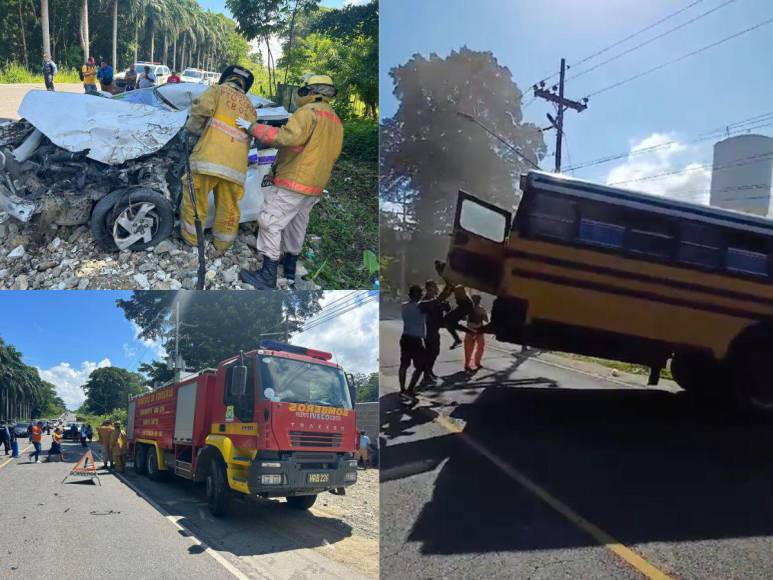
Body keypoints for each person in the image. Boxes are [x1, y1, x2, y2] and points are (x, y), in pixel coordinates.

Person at [237, 73, 344, 289]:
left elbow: (287, 138)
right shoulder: (335, 120)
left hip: (295, 181)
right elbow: (310, 151)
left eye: (302, 90)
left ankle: (267, 276)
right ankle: (289, 267)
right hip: (315, 185)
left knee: (270, 220)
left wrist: (252, 127)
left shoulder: (308, 112)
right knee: (297, 223)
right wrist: (276, 169)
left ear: (309, 91)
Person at [181, 64, 257, 253]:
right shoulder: (250, 106)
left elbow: (201, 110)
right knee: (229, 207)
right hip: (236, 169)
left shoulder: (217, 90)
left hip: (209, 160)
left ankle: (192, 241)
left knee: (195, 200)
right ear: (244, 85)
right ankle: (222, 245)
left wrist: (191, 130)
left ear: (226, 78)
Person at [420, 280, 452, 382]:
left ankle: (428, 372)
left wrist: (445, 305)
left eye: (434, 287)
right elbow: (432, 308)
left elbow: (446, 309)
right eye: (432, 287)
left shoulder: (435, 299)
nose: (434, 289)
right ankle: (426, 374)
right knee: (431, 352)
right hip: (428, 330)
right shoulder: (426, 299)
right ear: (428, 288)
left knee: (435, 351)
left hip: (435, 329)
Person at [399, 285, 428, 398]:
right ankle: (410, 389)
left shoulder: (404, 306)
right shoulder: (420, 306)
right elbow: (436, 301)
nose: (421, 294)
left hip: (405, 338)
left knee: (404, 365)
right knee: (421, 366)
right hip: (416, 340)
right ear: (415, 294)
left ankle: (402, 389)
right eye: (420, 293)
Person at [464, 295, 489, 372]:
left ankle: (477, 362)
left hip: (479, 330)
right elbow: (464, 317)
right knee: (468, 348)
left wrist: (482, 315)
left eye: (477, 300)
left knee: (480, 347)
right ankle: (467, 364)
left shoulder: (481, 309)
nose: (476, 301)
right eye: (474, 300)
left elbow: (486, 320)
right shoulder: (468, 308)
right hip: (470, 330)